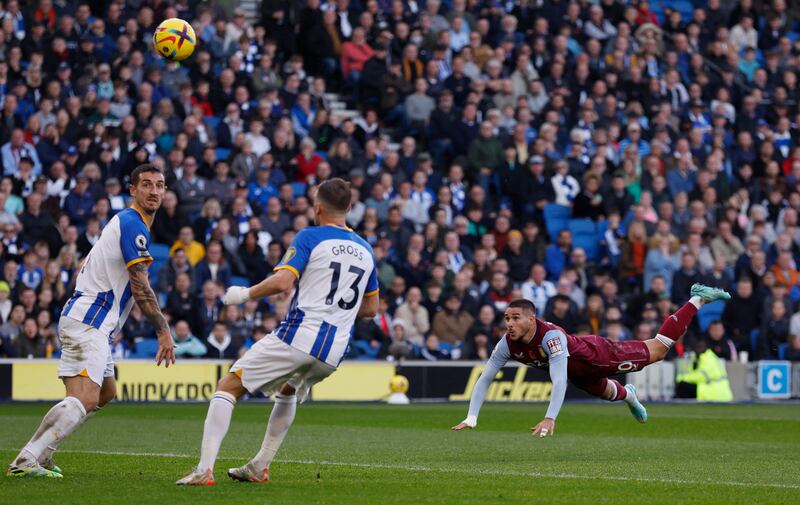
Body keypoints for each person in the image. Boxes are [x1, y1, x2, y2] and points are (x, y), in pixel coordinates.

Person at [178, 178, 379, 485]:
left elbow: (283, 282)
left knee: (229, 385)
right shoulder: (366, 250)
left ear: (318, 208)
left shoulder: (311, 236)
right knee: (288, 390)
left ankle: (204, 469)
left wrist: (244, 295)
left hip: (300, 335)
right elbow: (370, 309)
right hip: (335, 350)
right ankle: (259, 466)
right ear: (349, 208)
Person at [7, 165, 175, 478]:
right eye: (147, 185)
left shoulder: (127, 224)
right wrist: (163, 330)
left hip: (87, 318)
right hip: (91, 320)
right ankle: (26, 459)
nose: (154, 191)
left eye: (160, 185)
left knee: (103, 393)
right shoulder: (131, 223)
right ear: (132, 190)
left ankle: (42, 456)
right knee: (85, 397)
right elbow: (140, 286)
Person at [452, 284, 731, 436]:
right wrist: (472, 417)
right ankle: (630, 396)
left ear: (531, 319)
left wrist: (550, 418)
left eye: (515, 318)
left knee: (658, 350)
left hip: (597, 355)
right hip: (579, 373)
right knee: (610, 392)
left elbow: (558, 379)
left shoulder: (551, 338)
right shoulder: (507, 344)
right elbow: (486, 376)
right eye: (507, 318)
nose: (509, 324)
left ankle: (696, 299)